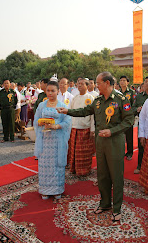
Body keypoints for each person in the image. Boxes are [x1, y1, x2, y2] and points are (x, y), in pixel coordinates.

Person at [57, 72, 134, 222]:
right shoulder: (98, 100)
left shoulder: (121, 99)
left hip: (115, 142)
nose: (96, 85)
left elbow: (129, 120)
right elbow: (85, 111)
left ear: (107, 83)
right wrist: (68, 111)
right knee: (103, 174)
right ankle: (105, 203)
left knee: (116, 175)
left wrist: (112, 131)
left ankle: (117, 207)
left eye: (98, 83)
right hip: (100, 142)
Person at [34, 81, 71, 200]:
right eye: (48, 90)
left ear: (58, 92)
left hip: (57, 140)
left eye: (53, 91)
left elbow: (68, 122)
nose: (50, 93)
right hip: (45, 140)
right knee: (45, 165)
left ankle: (57, 190)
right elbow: (36, 121)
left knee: (57, 165)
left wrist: (56, 126)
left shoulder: (62, 105)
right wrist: (41, 123)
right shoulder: (41, 105)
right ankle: (45, 190)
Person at [68, 78, 95, 176]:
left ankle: (84, 170)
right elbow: (70, 112)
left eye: (81, 84)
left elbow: (93, 116)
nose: (79, 85)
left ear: (87, 86)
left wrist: (92, 129)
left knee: (84, 152)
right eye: (78, 83)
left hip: (85, 128)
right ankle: (74, 168)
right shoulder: (75, 98)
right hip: (75, 127)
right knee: (74, 150)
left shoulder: (91, 98)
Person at [132, 76, 148, 174]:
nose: (147, 84)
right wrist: (137, 109)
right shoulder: (139, 96)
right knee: (141, 145)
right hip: (142, 123)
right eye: (146, 82)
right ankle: (139, 166)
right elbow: (133, 108)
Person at [119, 75, 136, 160]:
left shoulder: (132, 92)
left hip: (128, 118)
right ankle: (121, 152)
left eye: (124, 80)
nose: (122, 82)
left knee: (129, 137)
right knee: (120, 136)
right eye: (121, 80)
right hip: (119, 119)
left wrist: (131, 118)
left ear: (127, 82)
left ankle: (129, 153)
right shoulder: (117, 92)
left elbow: (134, 106)